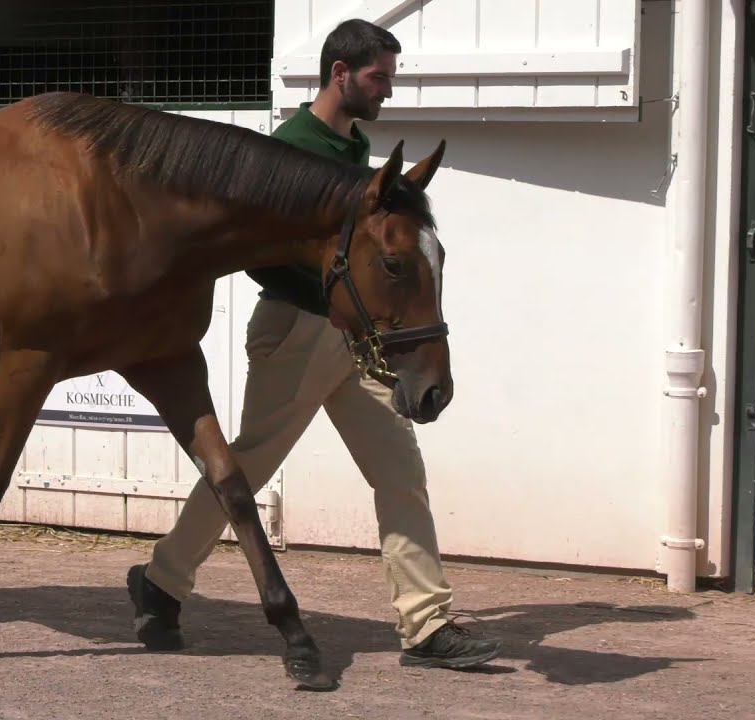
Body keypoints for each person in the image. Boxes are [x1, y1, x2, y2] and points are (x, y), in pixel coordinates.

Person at [125, 18, 502, 670]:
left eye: (389, 76)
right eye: (378, 77)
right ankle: (162, 580)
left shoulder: (357, 152)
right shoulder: (292, 147)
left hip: (354, 341)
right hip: (297, 329)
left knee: (399, 473)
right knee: (246, 467)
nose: (387, 89)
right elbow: (257, 255)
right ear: (340, 73)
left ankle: (427, 623)